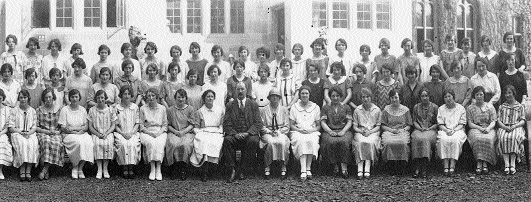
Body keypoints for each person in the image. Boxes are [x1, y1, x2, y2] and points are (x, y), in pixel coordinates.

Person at [223, 82, 262, 183]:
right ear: (235, 91)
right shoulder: (230, 105)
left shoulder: (253, 104)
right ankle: (232, 169)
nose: (240, 91)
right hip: (235, 135)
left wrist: (248, 133)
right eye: (238, 89)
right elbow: (226, 123)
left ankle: (243, 170)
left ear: (246, 90)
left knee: (253, 141)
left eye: (242, 89)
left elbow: (258, 123)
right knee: (227, 140)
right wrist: (235, 133)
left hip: (248, 135)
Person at [190, 90, 225, 182]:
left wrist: (220, 130)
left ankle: (213, 169)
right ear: (204, 99)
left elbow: (221, 124)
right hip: (204, 131)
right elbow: (196, 127)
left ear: (214, 98)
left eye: (211, 96)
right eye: (208, 97)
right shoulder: (200, 111)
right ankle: (204, 170)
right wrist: (201, 131)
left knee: (217, 142)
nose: (210, 98)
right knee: (204, 142)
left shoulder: (220, 110)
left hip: (216, 131)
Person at [165, 89, 199, 180]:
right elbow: (167, 125)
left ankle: (183, 168)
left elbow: (192, 124)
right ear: (175, 98)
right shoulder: (170, 110)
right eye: (178, 97)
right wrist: (176, 132)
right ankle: (173, 168)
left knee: (185, 145)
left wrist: (183, 132)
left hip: (187, 132)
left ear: (186, 98)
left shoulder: (190, 109)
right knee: (172, 144)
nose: (180, 99)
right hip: (174, 131)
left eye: (182, 97)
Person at [290, 85, 321, 181]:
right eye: (302, 93)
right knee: (301, 140)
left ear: (309, 95)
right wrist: (299, 130)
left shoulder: (315, 107)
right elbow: (291, 125)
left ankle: (308, 168)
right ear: (299, 95)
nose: (304, 95)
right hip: (298, 131)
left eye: (306, 93)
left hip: (311, 131)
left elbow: (318, 125)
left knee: (312, 140)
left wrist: (311, 130)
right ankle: (303, 169)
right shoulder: (294, 107)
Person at [320, 86, 353, 179]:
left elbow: (349, 122)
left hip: (344, 130)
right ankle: (334, 166)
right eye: (333, 96)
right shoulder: (326, 108)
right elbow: (323, 122)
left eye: (337, 96)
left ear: (341, 96)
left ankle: (344, 167)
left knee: (344, 142)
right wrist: (330, 131)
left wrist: (343, 131)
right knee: (330, 142)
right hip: (329, 130)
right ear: (330, 97)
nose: (335, 98)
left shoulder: (346, 107)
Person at [61, 90, 93, 179]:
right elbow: (63, 127)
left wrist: (77, 130)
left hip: (81, 133)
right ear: (69, 98)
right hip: (68, 135)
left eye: (76, 97)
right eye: (72, 97)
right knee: (78, 142)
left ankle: (80, 168)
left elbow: (86, 126)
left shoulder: (82, 110)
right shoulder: (65, 110)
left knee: (88, 142)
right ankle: (75, 167)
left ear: (79, 98)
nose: (74, 99)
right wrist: (73, 131)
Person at [259, 88, 290, 180]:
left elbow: (287, 125)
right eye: (273, 96)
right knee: (270, 142)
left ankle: (283, 166)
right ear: (269, 98)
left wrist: (279, 132)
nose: (275, 98)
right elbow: (261, 125)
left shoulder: (284, 109)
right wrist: (269, 132)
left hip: (280, 131)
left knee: (282, 142)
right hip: (268, 132)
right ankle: (267, 166)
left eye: (277, 96)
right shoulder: (263, 110)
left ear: (280, 98)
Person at [467, 86, 497, 175]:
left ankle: (485, 163)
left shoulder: (490, 106)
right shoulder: (470, 108)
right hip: (475, 128)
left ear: (484, 95)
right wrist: (480, 128)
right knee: (478, 139)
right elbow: (470, 123)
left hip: (489, 128)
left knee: (488, 139)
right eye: (477, 95)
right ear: (474, 96)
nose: (479, 96)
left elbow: (493, 121)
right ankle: (479, 162)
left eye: (481, 94)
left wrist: (488, 128)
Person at [352, 88, 381, 179]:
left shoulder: (377, 110)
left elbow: (378, 126)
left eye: (367, 97)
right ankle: (360, 167)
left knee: (370, 142)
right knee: (360, 142)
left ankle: (367, 167)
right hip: (360, 131)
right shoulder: (357, 110)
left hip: (373, 131)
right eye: (363, 97)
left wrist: (370, 132)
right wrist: (361, 131)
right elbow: (355, 126)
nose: (365, 99)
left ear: (371, 98)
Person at [381, 89, 412, 175]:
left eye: (396, 97)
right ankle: (391, 165)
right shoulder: (386, 110)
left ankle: (401, 165)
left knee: (402, 142)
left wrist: (403, 130)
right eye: (392, 97)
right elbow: (383, 125)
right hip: (390, 131)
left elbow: (409, 125)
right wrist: (391, 130)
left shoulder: (405, 110)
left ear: (400, 98)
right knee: (388, 142)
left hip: (402, 131)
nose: (394, 99)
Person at [9, 90, 38, 182]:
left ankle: (28, 170)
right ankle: (22, 169)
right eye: (21, 97)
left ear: (28, 98)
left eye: (25, 97)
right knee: (22, 143)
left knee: (32, 143)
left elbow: (34, 127)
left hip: (30, 133)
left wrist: (29, 133)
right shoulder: (14, 111)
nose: (23, 100)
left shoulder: (32, 111)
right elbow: (11, 127)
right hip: (17, 132)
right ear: (18, 98)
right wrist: (21, 132)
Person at [139, 88, 168, 181]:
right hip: (147, 131)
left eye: (153, 96)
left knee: (159, 142)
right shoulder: (143, 108)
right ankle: (152, 168)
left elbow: (165, 125)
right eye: (149, 96)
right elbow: (141, 125)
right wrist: (149, 133)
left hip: (160, 131)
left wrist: (159, 132)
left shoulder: (162, 108)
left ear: (157, 97)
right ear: (146, 97)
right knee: (151, 142)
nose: (151, 98)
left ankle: (158, 168)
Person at [437, 89, 467, 176]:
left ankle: (452, 164)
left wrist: (454, 130)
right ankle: (446, 164)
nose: (448, 98)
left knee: (455, 139)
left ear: (453, 97)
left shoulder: (460, 108)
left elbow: (462, 123)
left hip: (458, 129)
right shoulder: (441, 109)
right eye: (445, 97)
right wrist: (446, 130)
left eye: (449, 96)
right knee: (443, 139)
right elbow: (440, 124)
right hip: (445, 130)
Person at [497, 85, 525, 175]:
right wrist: (504, 127)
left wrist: (515, 126)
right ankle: (506, 164)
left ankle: (512, 164)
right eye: (506, 93)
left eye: (509, 93)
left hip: (516, 126)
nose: (508, 95)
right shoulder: (502, 106)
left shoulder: (519, 106)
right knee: (503, 137)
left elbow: (523, 120)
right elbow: (498, 120)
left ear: (514, 93)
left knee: (513, 137)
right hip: (504, 126)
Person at [36, 88, 64, 180]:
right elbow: (36, 126)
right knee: (46, 141)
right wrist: (46, 131)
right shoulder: (39, 110)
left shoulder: (58, 110)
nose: (48, 99)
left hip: (55, 133)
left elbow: (61, 126)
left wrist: (57, 132)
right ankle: (46, 170)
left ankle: (44, 169)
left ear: (53, 98)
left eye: (50, 97)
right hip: (43, 132)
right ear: (43, 99)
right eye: (46, 97)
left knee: (57, 143)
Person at [114, 85, 141, 179]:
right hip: (121, 132)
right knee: (123, 144)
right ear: (121, 95)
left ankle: (131, 167)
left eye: (129, 94)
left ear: (131, 95)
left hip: (132, 132)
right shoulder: (117, 108)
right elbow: (115, 125)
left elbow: (137, 123)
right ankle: (125, 167)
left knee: (132, 144)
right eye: (124, 94)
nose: (126, 96)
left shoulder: (135, 107)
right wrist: (122, 133)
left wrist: (131, 133)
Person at [88, 90, 116, 179]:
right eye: (98, 98)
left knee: (108, 143)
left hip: (108, 133)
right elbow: (90, 126)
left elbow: (113, 125)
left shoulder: (111, 109)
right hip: (96, 133)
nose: (100, 100)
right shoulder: (92, 110)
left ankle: (105, 169)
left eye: (102, 97)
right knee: (97, 143)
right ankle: (99, 169)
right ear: (96, 99)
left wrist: (107, 133)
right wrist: (97, 134)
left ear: (105, 98)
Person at [411, 88, 438, 178]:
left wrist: (430, 128)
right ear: (420, 97)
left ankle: (424, 167)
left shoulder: (434, 107)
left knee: (425, 139)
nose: (425, 98)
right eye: (422, 96)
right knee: (416, 138)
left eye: (426, 96)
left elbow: (437, 123)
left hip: (431, 130)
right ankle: (417, 166)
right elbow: (414, 121)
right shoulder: (416, 107)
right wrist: (420, 128)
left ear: (429, 96)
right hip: (419, 129)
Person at [0, 89, 11, 179]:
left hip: (2, 133)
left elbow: (6, 128)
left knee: (2, 142)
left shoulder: (7, 110)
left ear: (3, 98)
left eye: (0, 98)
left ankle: (0, 170)